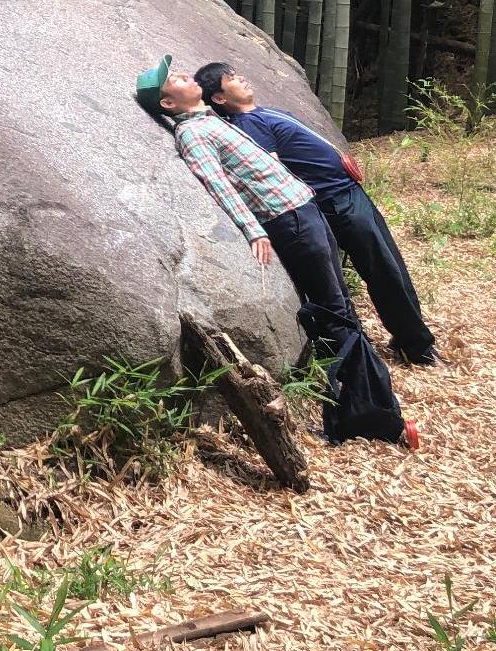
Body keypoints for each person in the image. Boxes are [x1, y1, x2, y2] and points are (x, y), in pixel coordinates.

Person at [135, 55, 416, 448]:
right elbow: (217, 184)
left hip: (304, 209)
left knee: (342, 309)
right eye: (173, 79)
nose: (182, 73)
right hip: (288, 220)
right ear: (168, 104)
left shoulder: (209, 121)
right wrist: (253, 230)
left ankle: (368, 407)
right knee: (333, 313)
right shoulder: (193, 135)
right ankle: (375, 419)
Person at [193, 62, 441, 366]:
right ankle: (416, 346)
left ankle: (409, 337)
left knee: (390, 265)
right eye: (230, 79)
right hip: (335, 202)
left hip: (346, 193)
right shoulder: (249, 126)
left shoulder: (259, 114)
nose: (241, 77)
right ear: (219, 98)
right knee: (383, 270)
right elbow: (268, 170)